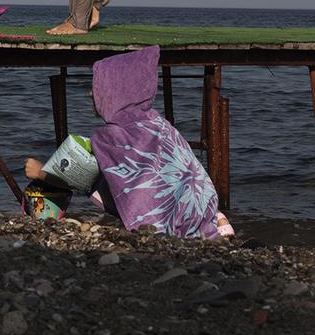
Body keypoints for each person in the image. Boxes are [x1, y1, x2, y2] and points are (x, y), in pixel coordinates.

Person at [24, 46, 231, 239]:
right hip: (204, 207)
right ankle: (219, 223)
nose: (90, 94)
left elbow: (86, 176)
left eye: (98, 89)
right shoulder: (157, 123)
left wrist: (42, 172)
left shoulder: (116, 135)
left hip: (171, 220)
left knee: (100, 178)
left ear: (117, 93)